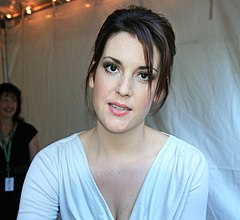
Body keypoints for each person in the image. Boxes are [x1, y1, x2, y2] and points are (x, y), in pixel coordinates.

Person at [17, 5, 209, 220]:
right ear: (92, 74)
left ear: (159, 90)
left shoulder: (187, 166)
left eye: (144, 75)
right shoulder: (51, 165)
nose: (123, 89)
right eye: (112, 68)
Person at [0, 82, 40, 220]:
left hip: (22, 188)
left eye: (13, 100)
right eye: (5, 100)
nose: (9, 105)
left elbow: (36, 164)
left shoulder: (27, 131)